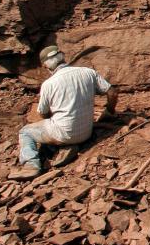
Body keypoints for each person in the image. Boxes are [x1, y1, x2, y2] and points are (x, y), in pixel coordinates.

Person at [10, 45, 118, 181]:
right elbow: (112, 92)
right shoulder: (87, 72)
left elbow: (43, 113)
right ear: (62, 57)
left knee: (25, 132)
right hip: (86, 133)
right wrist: (109, 111)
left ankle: (31, 166)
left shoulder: (49, 84)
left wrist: (53, 119)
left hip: (64, 134)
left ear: (46, 66)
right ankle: (62, 147)